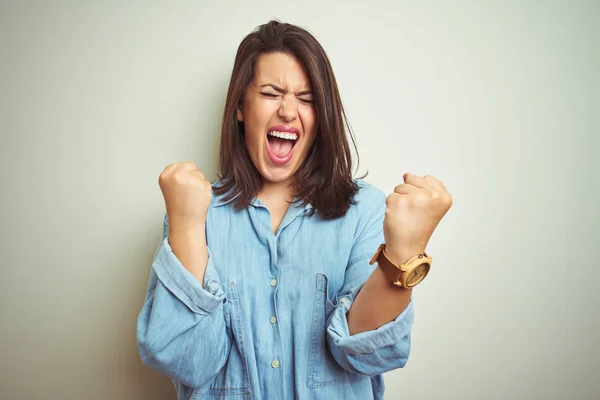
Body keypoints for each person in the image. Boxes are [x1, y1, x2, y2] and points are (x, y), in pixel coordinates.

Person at [137, 20, 452, 400]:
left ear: (321, 117)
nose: (289, 111)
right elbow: (187, 361)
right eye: (271, 93)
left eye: (307, 99)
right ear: (240, 106)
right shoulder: (194, 211)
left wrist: (404, 255)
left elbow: (366, 355)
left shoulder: (364, 211)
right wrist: (187, 227)